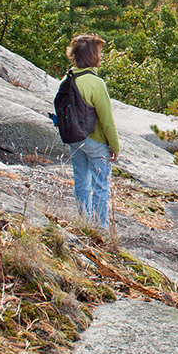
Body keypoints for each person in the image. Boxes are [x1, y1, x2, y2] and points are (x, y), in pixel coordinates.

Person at [64, 34, 120, 226]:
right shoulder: (95, 83)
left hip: (74, 138)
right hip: (95, 140)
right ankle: (100, 227)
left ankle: (83, 220)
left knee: (81, 180)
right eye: (99, 52)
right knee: (100, 186)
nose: (101, 55)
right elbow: (106, 120)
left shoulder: (68, 78)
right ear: (91, 55)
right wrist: (114, 145)